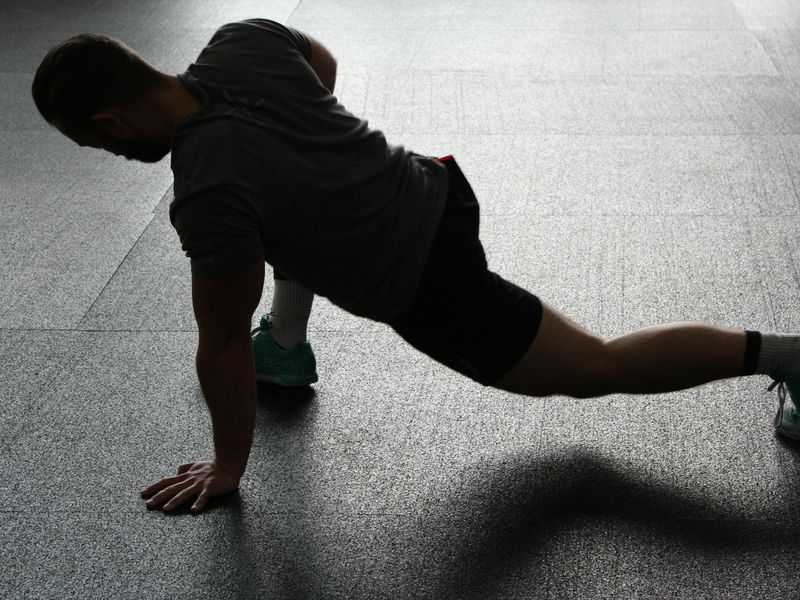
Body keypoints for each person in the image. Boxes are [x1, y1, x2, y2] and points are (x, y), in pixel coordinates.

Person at [31, 18, 800, 514]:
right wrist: (306, 153)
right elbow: (319, 61)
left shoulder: (207, 195)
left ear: (111, 121)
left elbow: (222, 338)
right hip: (435, 184)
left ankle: (790, 357)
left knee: (592, 367)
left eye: (101, 145)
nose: (114, 155)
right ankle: (289, 348)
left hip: (426, 281)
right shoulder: (243, 41)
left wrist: (230, 463)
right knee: (281, 222)